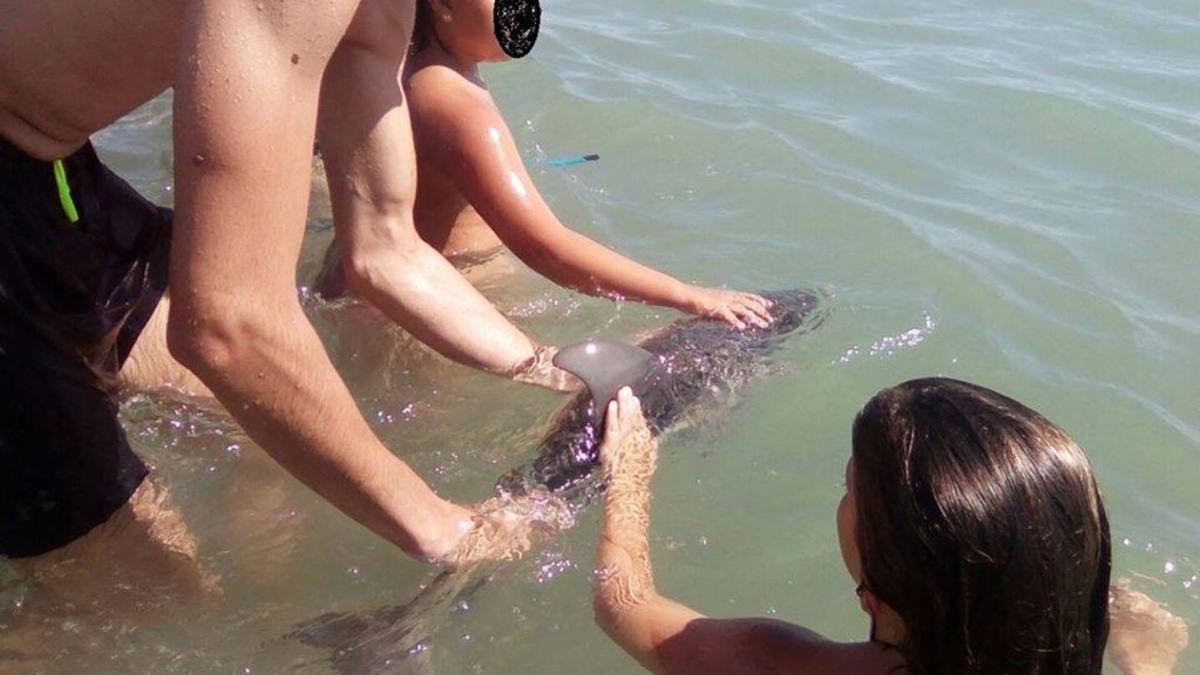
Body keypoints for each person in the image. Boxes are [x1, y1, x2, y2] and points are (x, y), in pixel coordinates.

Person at [0, 0, 551, 574]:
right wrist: (438, 527)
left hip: (51, 166)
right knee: (140, 596)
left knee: (250, 421)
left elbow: (385, 249)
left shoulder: (384, 10)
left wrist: (550, 367)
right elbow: (228, 327)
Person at [592, 381, 1190, 674]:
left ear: (878, 594)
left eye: (850, 485)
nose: (845, 490)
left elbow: (624, 605)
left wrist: (628, 475)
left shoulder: (777, 661)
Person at [315, 0, 774, 332]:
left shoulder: (401, 71)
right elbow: (545, 248)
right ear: (442, 4)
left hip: (373, 287)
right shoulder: (457, 108)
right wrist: (689, 296)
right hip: (415, 305)